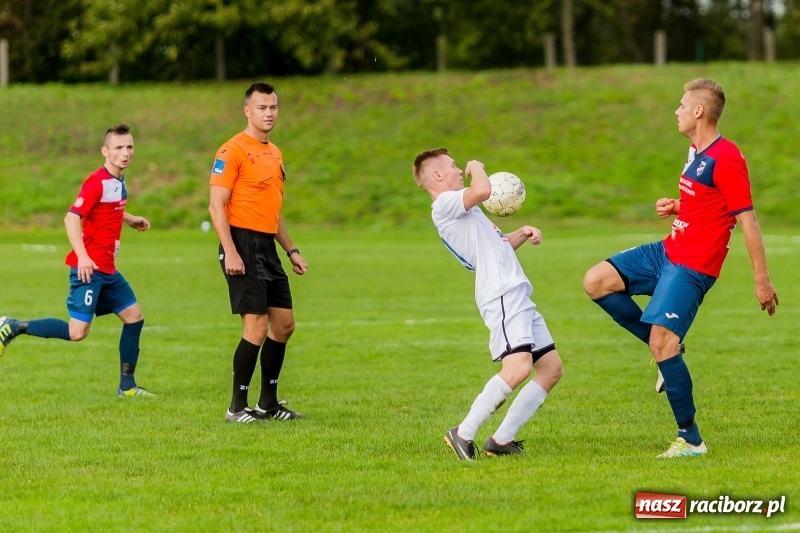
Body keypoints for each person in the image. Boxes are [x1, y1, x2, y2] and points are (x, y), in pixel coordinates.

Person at [582, 78, 778, 458]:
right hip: (668, 250)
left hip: (692, 265)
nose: (677, 110)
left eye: (682, 105)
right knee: (596, 281)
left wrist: (762, 280)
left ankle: (690, 439)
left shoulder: (727, 157)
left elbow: (747, 221)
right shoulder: (695, 151)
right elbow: (706, 201)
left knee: (661, 341)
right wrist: (677, 206)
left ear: (699, 111)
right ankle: (669, 350)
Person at [412, 148, 564, 460]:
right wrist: (477, 166)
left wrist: (522, 232)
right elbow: (483, 189)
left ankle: (501, 440)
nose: (459, 171)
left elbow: (498, 245)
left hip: (515, 292)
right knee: (519, 367)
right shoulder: (445, 203)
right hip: (502, 294)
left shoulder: (464, 210)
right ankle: (463, 432)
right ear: (437, 175)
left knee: (550, 369)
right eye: (453, 166)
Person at [0, 124, 155, 397]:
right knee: (77, 332)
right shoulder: (97, 181)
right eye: (118, 148)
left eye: (129, 147)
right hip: (89, 269)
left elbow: (108, 207)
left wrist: (129, 219)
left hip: (108, 269)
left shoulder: (118, 181)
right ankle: (13, 326)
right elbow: (72, 217)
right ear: (105, 151)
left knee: (134, 318)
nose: (125, 153)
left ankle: (127, 387)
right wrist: (83, 257)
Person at [209, 82, 308, 424]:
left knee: (284, 325)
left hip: (267, 246)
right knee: (256, 326)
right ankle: (236, 407)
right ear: (247, 111)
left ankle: (268, 403)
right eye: (262, 108)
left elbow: (272, 210)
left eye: (273, 107)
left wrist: (291, 249)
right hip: (241, 243)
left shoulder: (275, 153)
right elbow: (216, 205)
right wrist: (231, 251)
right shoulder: (231, 151)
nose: (268, 113)